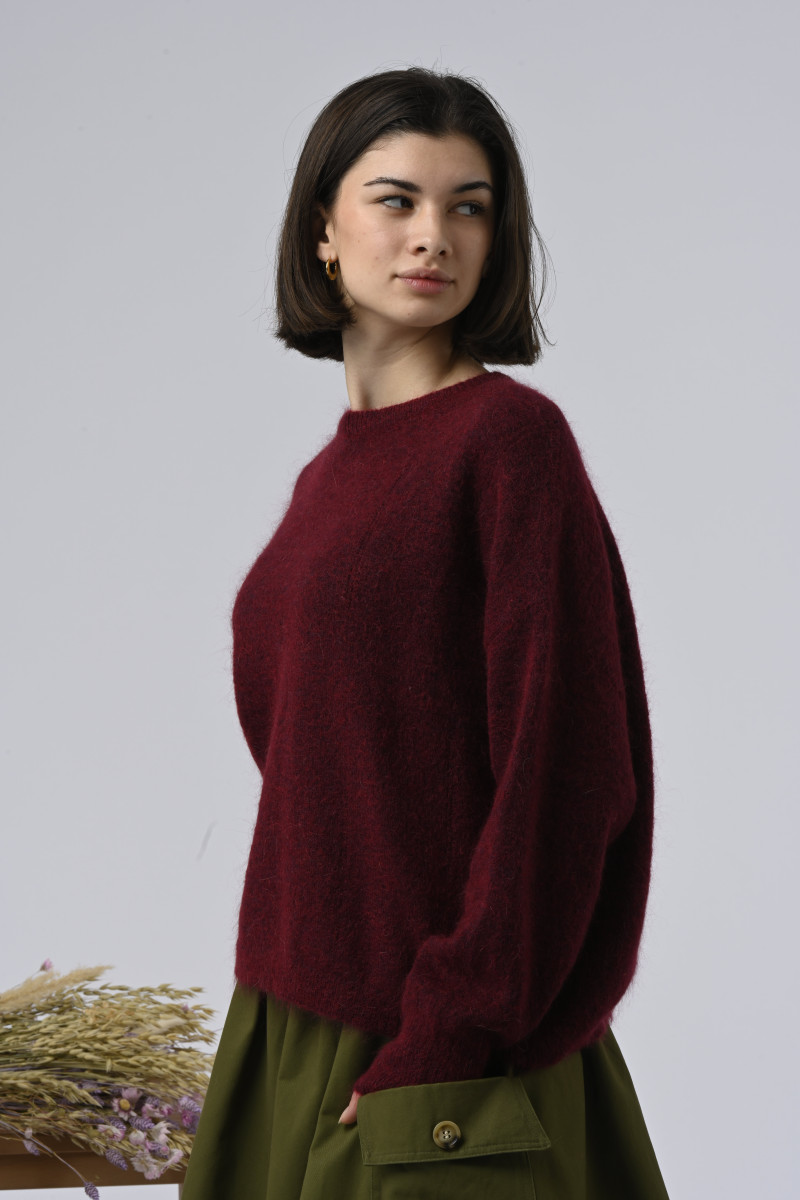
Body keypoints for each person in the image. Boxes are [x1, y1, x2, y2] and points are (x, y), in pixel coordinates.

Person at [180, 66, 670, 1199]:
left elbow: (568, 773)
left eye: (469, 206)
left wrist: (451, 1027)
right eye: (395, 199)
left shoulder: (508, 443)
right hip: (291, 1022)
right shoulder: (326, 480)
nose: (433, 236)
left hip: (434, 1048)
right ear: (323, 230)